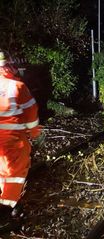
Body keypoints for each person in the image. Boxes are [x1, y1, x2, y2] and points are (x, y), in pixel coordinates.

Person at [0, 51, 43, 220]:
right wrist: (34, 133)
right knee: (15, 175)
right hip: (13, 142)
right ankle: (6, 210)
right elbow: (31, 112)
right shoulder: (16, 86)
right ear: (9, 65)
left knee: (2, 172)